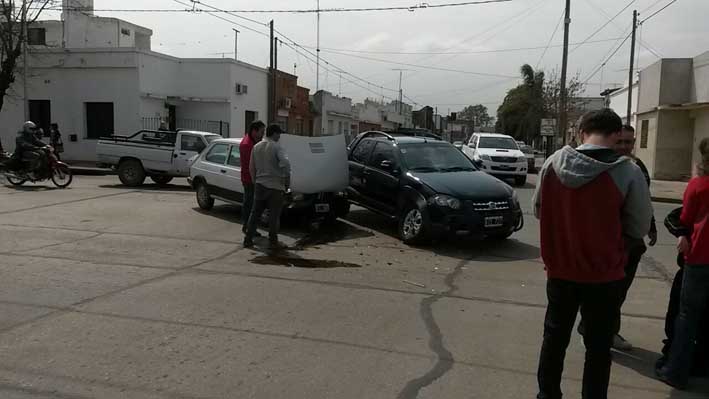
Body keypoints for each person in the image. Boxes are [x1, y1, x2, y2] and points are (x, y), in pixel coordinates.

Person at [533, 109, 653, 399]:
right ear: (614, 135)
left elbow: (539, 209)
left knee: (554, 339)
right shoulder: (627, 170)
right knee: (598, 349)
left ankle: (547, 395)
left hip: (561, 271)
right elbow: (638, 226)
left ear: (581, 132)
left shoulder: (552, 164)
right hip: (605, 275)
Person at [578, 124, 658, 351]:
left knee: (618, 293)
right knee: (600, 293)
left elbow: (643, 202)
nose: (624, 146)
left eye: (629, 142)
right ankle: (593, 329)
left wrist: (650, 227)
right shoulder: (604, 167)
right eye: (620, 141)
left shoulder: (636, 167)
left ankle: (608, 331)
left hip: (630, 242)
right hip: (605, 243)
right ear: (612, 140)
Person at [656, 138, 709, 390]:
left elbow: (685, 218)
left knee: (687, 316)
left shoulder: (699, 185)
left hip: (700, 258)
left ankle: (675, 372)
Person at [243, 124, 291, 249]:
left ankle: (248, 239)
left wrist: (255, 181)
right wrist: (286, 178)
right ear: (274, 133)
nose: (280, 136)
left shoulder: (256, 147)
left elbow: (251, 167)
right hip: (275, 186)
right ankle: (273, 241)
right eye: (279, 133)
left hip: (260, 185)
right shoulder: (276, 147)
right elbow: (286, 163)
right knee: (274, 216)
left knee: (255, 213)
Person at [239, 120, 266, 235]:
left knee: (252, 204)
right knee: (250, 205)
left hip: (252, 178)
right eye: (261, 132)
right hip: (250, 179)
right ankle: (249, 228)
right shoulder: (247, 145)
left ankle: (249, 227)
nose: (263, 135)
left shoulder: (252, 140)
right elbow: (252, 165)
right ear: (254, 131)